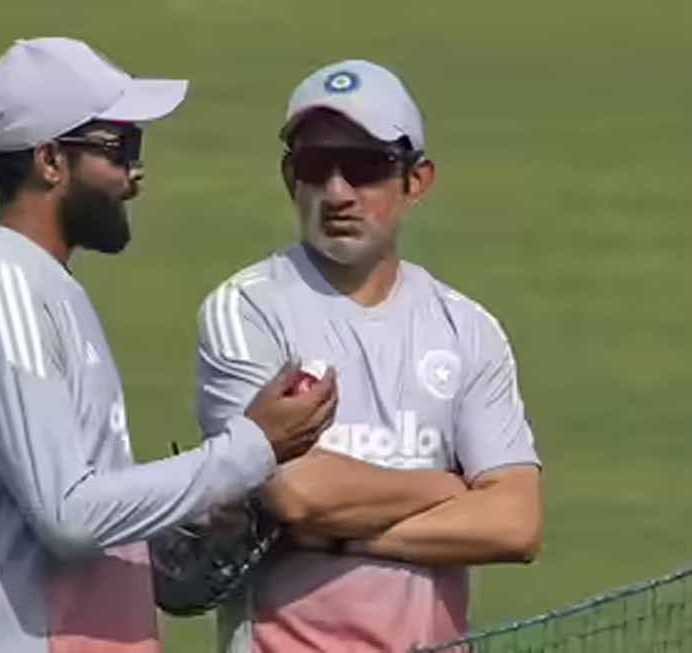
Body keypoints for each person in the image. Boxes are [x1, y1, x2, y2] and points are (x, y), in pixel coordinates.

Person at [0, 37, 337, 653]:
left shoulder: (46, 285)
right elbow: (69, 515)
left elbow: (84, 491)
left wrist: (195, 509)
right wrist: (250, 448)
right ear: (50, 161)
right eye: (120, 149)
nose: (135, 175)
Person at [195, 59, 543, 652]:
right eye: (315, 167)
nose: (337, 193)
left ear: (416, 181)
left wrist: (340, 536)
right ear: (290, 179)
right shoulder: (246, 311)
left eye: (364, 168)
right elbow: (297, 493)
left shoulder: (467, 329)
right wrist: (448, 489)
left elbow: (515, 523)